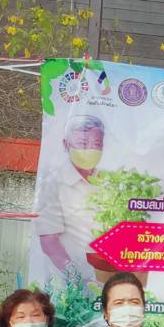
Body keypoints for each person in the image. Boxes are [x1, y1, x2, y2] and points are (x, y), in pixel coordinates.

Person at [33, 114, 106, 283]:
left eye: (96, 145)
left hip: (107, 282)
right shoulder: (54, 183)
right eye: (82, 144)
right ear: (66, 145)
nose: (90, 150)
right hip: (69, 286)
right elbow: (49, 241)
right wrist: (78, 278)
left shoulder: (108, 182)